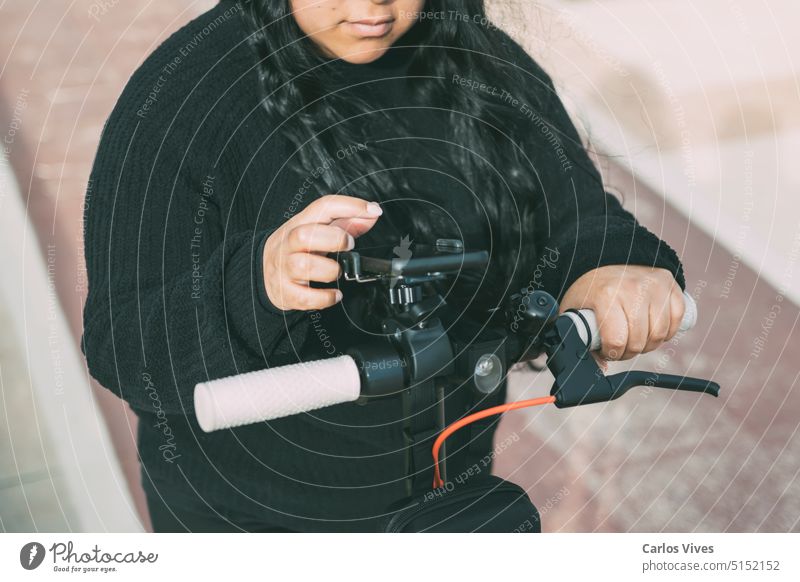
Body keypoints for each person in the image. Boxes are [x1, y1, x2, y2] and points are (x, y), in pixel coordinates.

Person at [80, 0, 687, 532]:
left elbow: (574, 212)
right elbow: (119, 341)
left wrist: (613, 265)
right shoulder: (182, 99)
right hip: (254, 519)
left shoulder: (478, 61)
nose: (373, 5)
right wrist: (256, 283)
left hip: (449, 492)